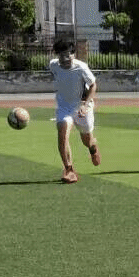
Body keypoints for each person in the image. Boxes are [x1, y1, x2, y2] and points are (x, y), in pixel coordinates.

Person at [49, 38, 100, 184]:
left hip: (81, 107)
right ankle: (69, 170)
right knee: (63, 133)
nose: (65, 59)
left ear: (73, 54)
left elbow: (93, 85)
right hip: (64, 107)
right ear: (57, 55)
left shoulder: (81, 67)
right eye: (61, 55)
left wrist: (85, 104)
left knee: (87, 140)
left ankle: (93, 148)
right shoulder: (53, 65)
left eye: (68, 55)